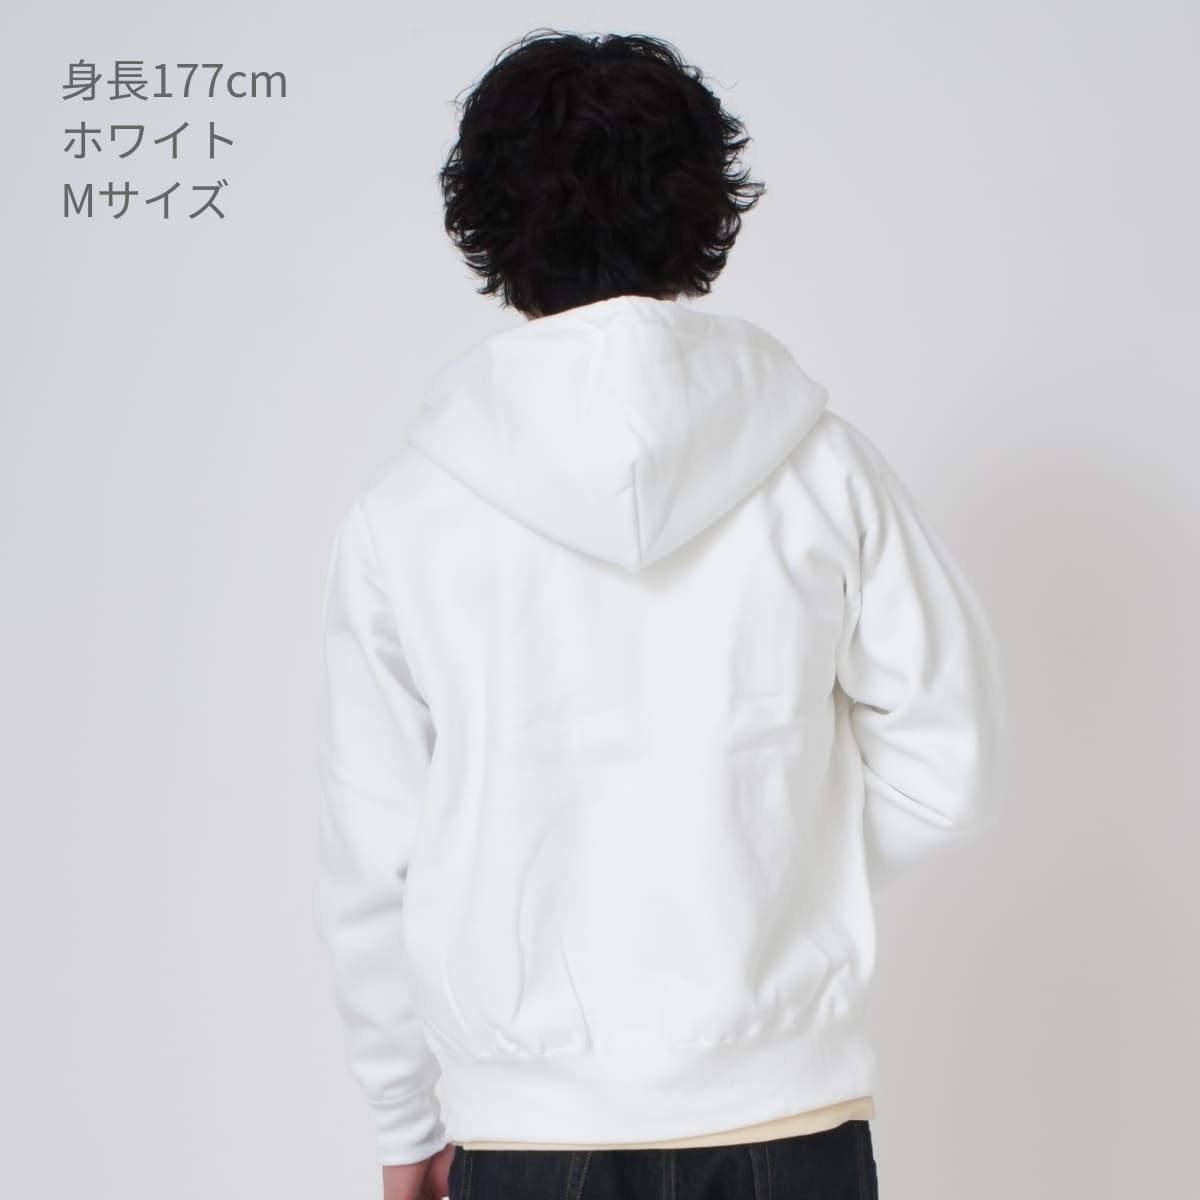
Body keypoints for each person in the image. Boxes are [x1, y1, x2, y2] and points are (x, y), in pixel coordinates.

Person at [314, 27, 1004, 1200]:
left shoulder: (405, 515)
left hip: (527, 1135)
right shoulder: (826, 471)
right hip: (789, 1113)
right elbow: (950, 773)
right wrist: (764, 871)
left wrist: (403, 1119)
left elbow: (374, 857)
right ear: (702, 212)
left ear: (489, 225)